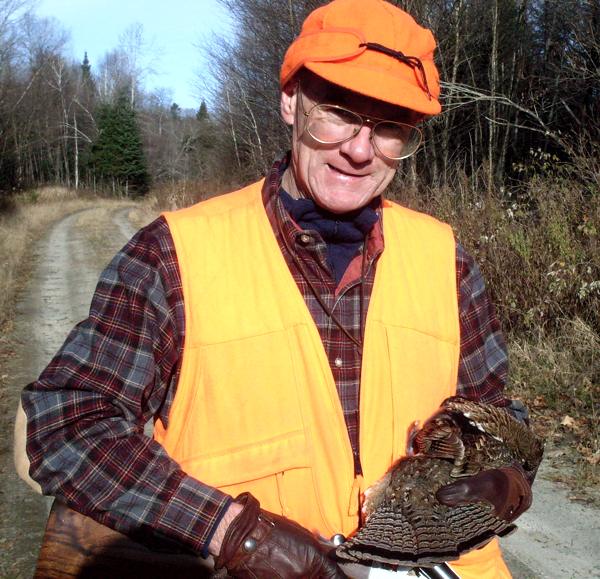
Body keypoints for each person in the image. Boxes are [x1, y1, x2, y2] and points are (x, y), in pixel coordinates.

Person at [19, 0, 534, 577]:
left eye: (390, 127)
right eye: (337, 112)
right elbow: (69, 421)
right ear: (290, 102)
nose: (361, 151)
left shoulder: (446, 259)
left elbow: (497, 413)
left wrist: (507, 476)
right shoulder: (172, 256)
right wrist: (235, 535)